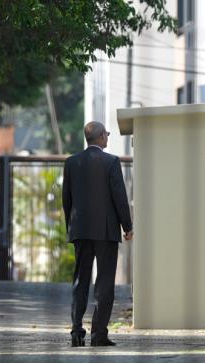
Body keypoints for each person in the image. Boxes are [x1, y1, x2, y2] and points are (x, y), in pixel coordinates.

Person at [62, 121, 133, 347]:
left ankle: (76, 331)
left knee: (80, 281)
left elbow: (67, 199)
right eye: (107, 134)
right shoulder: (111, 162)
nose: (108, 137)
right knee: (104, 282)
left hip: (80, 231)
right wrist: (127, 225)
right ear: (101, 137)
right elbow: (119, 196)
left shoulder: (71, 163)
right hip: (105, 231)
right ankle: (99, 334)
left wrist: (72, 227)